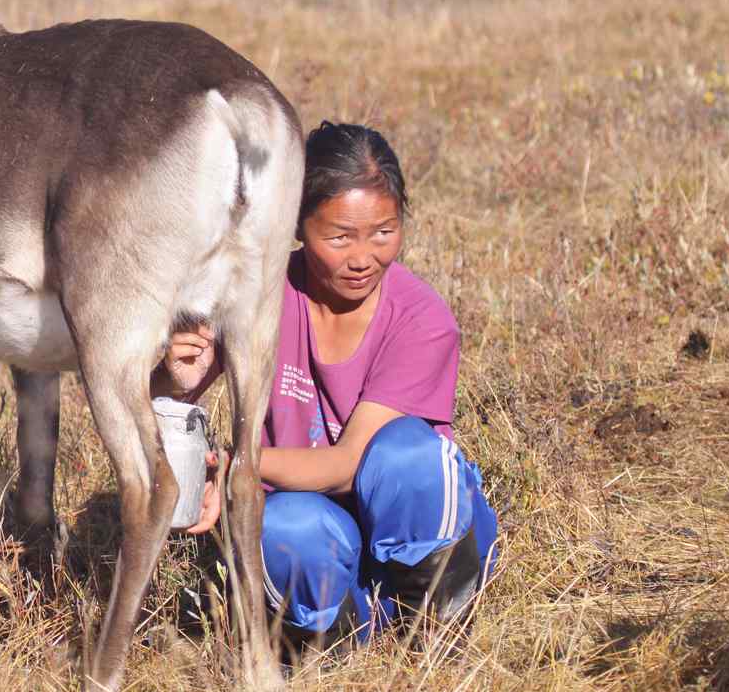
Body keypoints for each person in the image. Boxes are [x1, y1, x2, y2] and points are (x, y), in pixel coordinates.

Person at [152, 121, 498, 648]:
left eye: (384, 231)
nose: (364, 257)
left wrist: (236, 466)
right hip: (316, 531)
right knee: (288, 528)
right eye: (339, 237)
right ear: (294, 224)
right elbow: (168, 406)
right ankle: (338, 642)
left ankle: (436, 629)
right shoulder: (255, 293)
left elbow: (348, 466)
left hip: (411, 524)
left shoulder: (422, 319)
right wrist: (175, 378)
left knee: (407, 456)